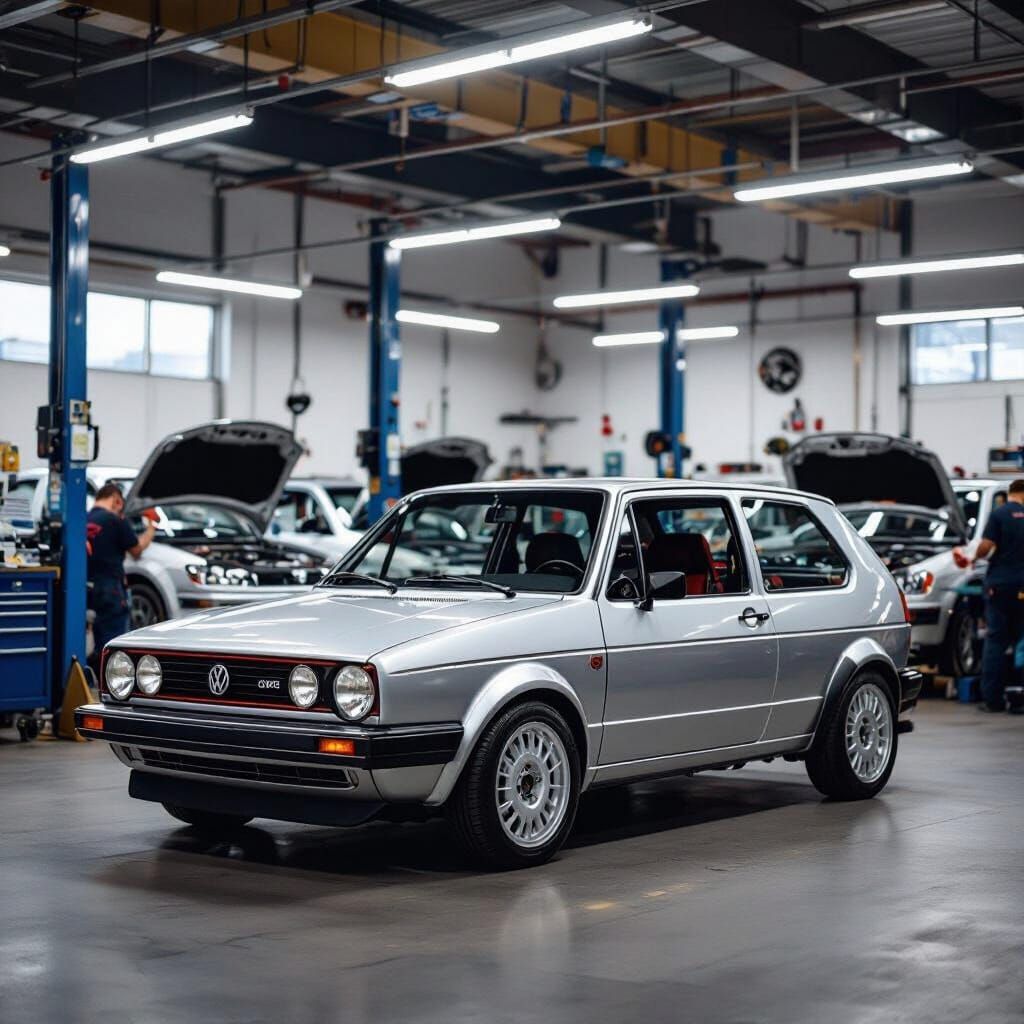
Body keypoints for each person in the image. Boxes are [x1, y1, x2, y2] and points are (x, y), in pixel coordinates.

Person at [970, 477, 1024, 712]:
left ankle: (993, 699)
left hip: (1000, 587)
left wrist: (976, 555)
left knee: (996, 641)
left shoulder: (999, 514)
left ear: (1011, 493)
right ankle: (1020, 700)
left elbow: (984, 547)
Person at [87, 482, 156, 662]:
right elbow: (136, 550)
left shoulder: (86, 519)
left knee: (98, 635)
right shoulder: (115, 520)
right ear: (117, 501)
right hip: (112, 588)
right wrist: (151, 527)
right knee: (114, 642)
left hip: (88, 586)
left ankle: (94, 673)